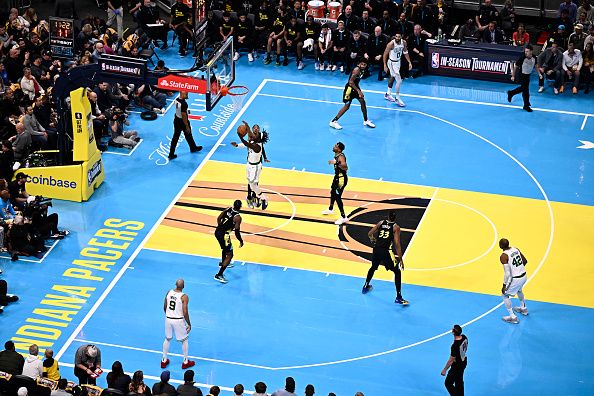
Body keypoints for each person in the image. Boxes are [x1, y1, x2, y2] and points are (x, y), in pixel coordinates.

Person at [362, 210, 408, 304]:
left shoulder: (381, 223)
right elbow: (397, 244)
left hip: (376, 250)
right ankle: (398, 297)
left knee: (373, 267)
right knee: (397, 271)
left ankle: (366, 286)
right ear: (395, 218)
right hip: (386, 252)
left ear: (388, 217)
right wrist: (401, 259)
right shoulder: (396, 227)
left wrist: (373, 240)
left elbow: (369, 233)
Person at [231, 121, 270, 210]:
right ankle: (256, 197)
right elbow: (246, 144)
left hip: (255, 167)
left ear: (260, 138)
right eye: (254, 128)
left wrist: (241, 135)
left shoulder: (257, 147)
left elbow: (247, 144)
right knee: (251, 184)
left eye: (257, 129)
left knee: (253, 185)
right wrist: (237, 145)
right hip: (249, 165)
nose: (255, 132)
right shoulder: (253, 141)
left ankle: (263, 198)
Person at [329, 60, 376, 130]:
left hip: (356, 87)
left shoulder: (363, 70)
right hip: (349, 90)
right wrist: (359, 91)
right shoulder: (356, 70)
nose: (363, 66)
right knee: (347, 106)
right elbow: (350, 82)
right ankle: (333, 121)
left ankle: (366, 120)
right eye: (362, 64)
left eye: (365, 64)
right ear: (359, 64)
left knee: (363, 102)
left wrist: (358, 90)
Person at [162, 279, 195, 369]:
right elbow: (185, 312)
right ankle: (185, 362)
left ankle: (164, 360)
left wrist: (169, 315)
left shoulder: (169, 292)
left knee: (167, 339)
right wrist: (189, 323)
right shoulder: (184, 296)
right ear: (183, 286)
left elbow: (164, 306)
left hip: (168, 318)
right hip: (178, 320)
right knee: (184, 340)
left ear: (175, 284)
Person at [499, 238, 529, 324]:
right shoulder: (516, 249)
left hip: (516, 278)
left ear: (500, 246)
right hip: (524, 275)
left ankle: (513, 317)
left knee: (504, 295)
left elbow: (507, 273)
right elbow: (525, 261)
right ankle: (523, 309)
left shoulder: (503, 256)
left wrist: (504, 285)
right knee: (519, 290)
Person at [214, 200, 244, 284]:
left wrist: (220, 227)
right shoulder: (238, 217)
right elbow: (237, 232)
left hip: (217, 232)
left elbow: (218, 218)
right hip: (224, 235)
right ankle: (219, 275)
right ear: (240, 207)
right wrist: (241, 241)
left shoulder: (228, 209)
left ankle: (222, 262)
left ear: (234, 205)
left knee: (224, 248)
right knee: (230, 254)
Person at [168, 91, 202, 160]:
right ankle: (192, 148)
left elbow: (179, 110)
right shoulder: (184, 104)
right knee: (187, 133)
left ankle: (172, 153)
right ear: (182, 94)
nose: (187, 95)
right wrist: (186, 126)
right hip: (182, 122)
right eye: (186, 94)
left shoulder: (177, 99)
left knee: (178, 137)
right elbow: (184, 115)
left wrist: (186, 111)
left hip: (176, 119)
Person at [322, 142, 350, 225]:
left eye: (335, 146)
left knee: (338, 197)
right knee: (332, 192)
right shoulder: (337, 155)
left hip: (341, 180)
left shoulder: (340, 157)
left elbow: (345, 166)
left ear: (339, 149)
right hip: (337, 178)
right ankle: (330, 209)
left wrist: (336, 163)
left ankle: (344, 217)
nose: (333, 147)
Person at [383, 33, 413, 107]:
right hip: (391, 63)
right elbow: (385, 54)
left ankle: (388, 94)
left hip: (398, 62)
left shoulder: (404, 42)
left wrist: (409, 62)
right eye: (396, 36)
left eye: (399, 37)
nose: (397, 38)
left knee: (393, 77)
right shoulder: (391, 44)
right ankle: (397, 98)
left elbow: (405, 52)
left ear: (401, 37)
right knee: (399, 80)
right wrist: (385, 65)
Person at [441, 324, 468, 396]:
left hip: (457, 366)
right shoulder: (465, 337)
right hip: (464, 361)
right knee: (459, 381)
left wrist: (445, 369)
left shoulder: (455, 346)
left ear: (453, 333)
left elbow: (451, 360)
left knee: (448, 383)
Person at [507, 44, 536, 112]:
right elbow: (516, 66)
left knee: (524, 89)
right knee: (525, 90)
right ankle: (526, 105)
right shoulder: (522, 58)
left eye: (527, 51)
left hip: (528, 75)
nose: (526, 53)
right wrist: (513, 76)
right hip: (522, 75)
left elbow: (536, 65)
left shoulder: (534, 57)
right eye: (525, 51)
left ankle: (511, 93)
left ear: (531, 51)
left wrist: (540, 74)